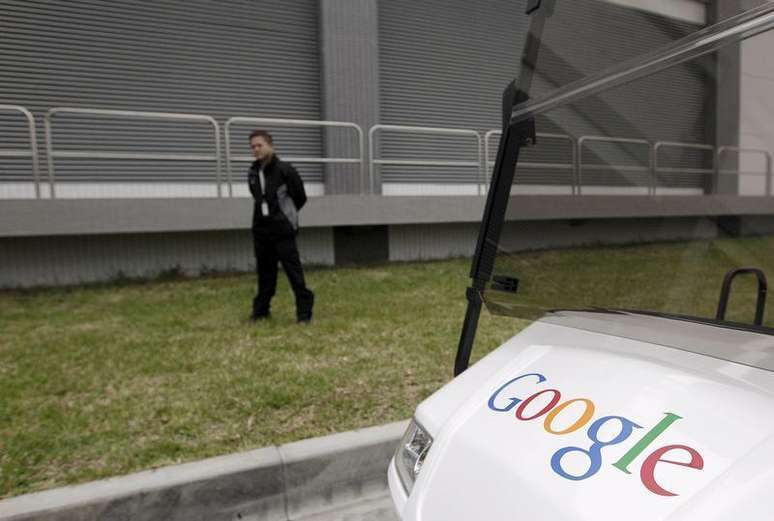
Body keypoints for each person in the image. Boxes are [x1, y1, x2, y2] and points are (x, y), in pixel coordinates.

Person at [247, 130, 314, 323]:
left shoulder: (285, 170)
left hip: (282, 231)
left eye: (259, 145)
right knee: (265, 274)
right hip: (261, 230)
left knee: (294, 274)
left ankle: (304, 315)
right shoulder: (253, 172)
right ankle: (260, 312)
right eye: (252, 147)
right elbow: (257, 198)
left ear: (270, 145)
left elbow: (299, 197)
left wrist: (284, 218)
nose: (256, 150)